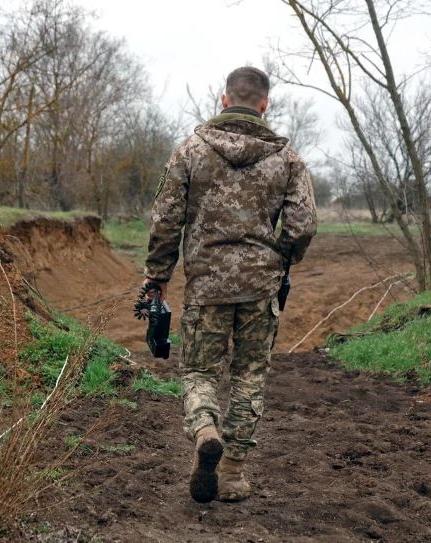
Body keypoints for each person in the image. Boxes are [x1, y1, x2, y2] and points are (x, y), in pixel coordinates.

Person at [142, 66, 317, 503]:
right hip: (260, 287)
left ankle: (205, 429)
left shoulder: (191, 150)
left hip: (205, 286)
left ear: (224, 99)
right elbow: (303, 225)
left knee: (199, 371)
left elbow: (165, 219)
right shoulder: (288, 159)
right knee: (249, 376)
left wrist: (158, 275)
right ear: (264, 104)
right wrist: (280, 260)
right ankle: (234, 473)